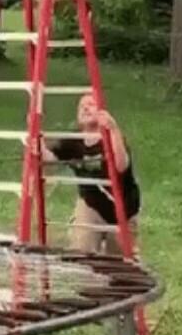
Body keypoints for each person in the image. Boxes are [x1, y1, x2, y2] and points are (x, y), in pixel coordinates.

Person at [43, 92, 140, 252]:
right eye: (81, 106)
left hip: (124, 209)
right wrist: (36, 141)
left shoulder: (113, 139)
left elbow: (120, 166)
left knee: (119, 264)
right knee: (81, 251)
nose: (85, 108)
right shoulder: (74, 141)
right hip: (91, 205)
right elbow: (49, 160)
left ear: (103, 112)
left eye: (90, 104)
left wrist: (113, 129)